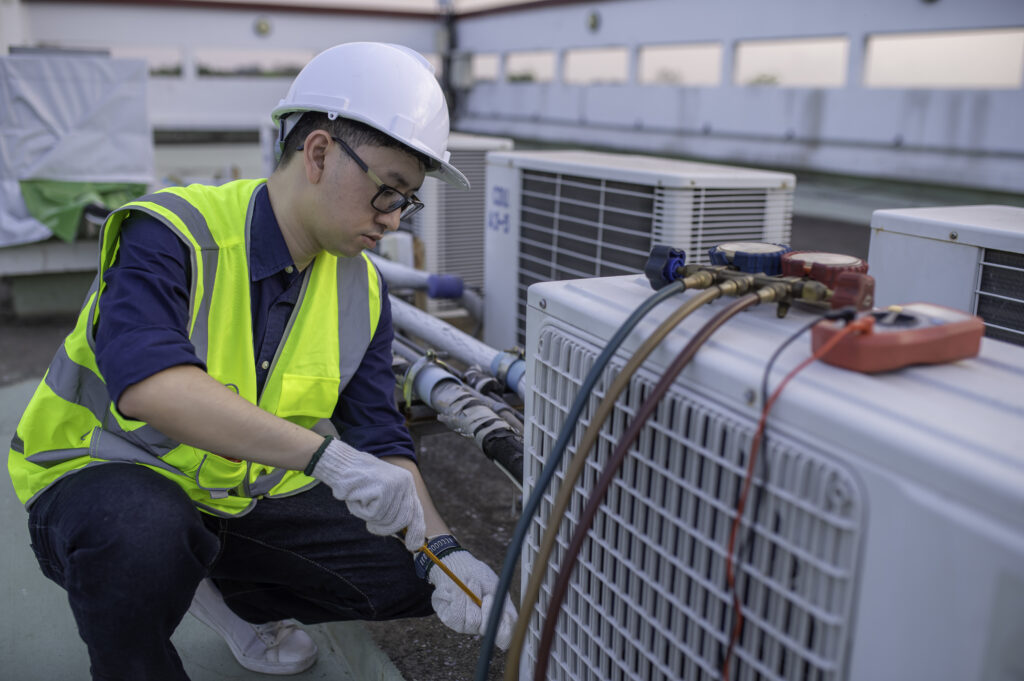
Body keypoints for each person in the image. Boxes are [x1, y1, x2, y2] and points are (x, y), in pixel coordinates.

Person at [7, 42, 517, 679]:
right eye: (389, 191)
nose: (393, 219)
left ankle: (221, 595)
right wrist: (326, 458)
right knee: (140, 535)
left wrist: (441, 549)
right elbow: (148, 385)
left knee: (407, 576)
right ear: (320, 152)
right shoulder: (171, 232)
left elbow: (381, 436)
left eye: (406, 201)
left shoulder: (361, 288)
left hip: (231, 499)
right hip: (103, 481)